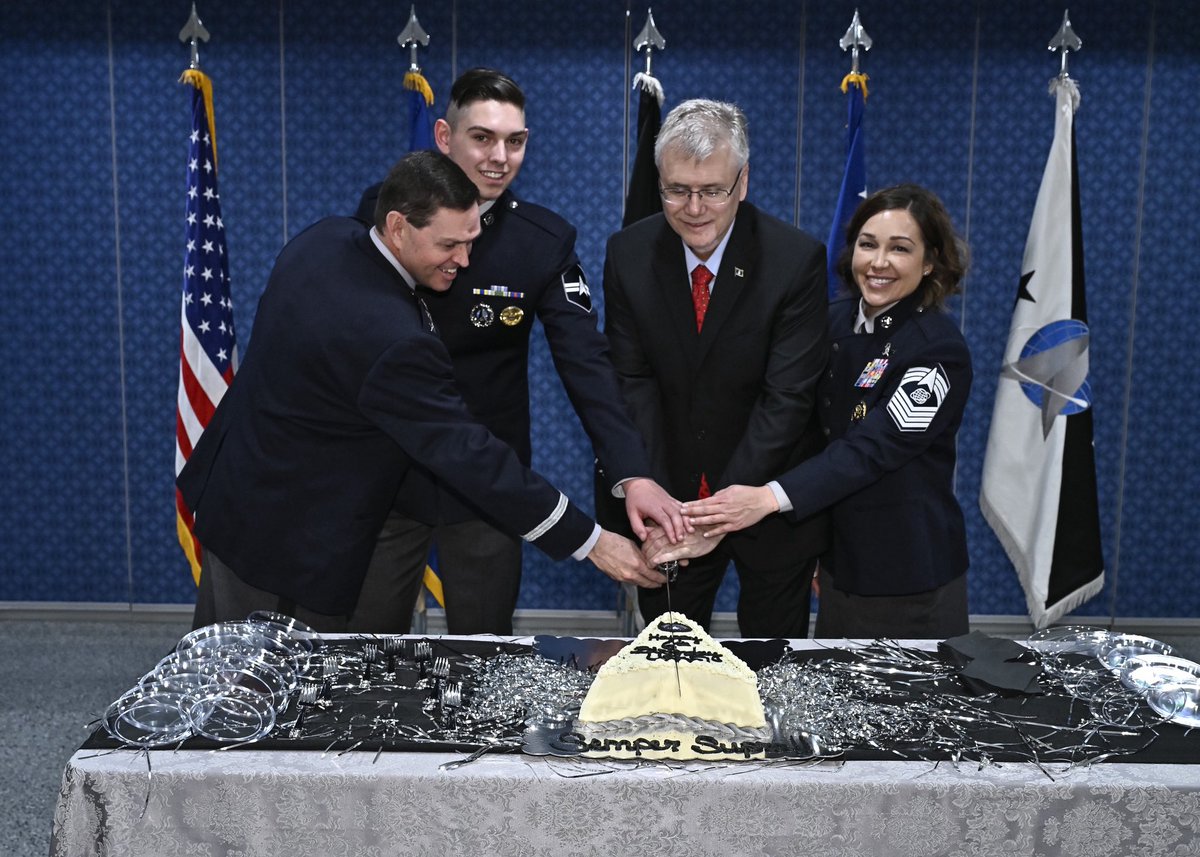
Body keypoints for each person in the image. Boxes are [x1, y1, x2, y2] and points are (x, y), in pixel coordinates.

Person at [179, 151, 666, 632]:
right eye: (450, 245)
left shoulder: (323, 238)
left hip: (234, 503)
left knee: (213, 668)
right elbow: (469, 454)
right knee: (270, 690)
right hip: (292, 548)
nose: (465, 260)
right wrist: (591, 541)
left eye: (472, 241)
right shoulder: (393, 340)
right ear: (397, 227)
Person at [352, 68, 682, 635]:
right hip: (387, 470)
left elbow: (587, 365)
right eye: (482, 137)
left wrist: (633, 474)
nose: (499, 157)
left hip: (488, 483)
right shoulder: (381, 215)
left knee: (485, 654)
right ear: (443, 137)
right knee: (365, 645)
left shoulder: (542, 241)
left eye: (515, 141)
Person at [651, 184, 972, 640]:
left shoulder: (938, 349)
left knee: (905, 709)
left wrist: (766, 498)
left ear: (930, 262)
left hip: (907, 575)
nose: (879, 262)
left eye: (900, 249)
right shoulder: (833, 321)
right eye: (867, 244)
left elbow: (871, 449)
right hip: (839, 565)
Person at [599, 98, 830, 638]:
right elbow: (631, 381)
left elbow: (787, 398)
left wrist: (717, 514)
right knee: (669, 657)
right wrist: (659, 495)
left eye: (711, 191)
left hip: (765, 498)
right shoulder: (628, 254)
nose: (693, 207)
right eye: (677, 189)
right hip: (668, 501)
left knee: (772, 668)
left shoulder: (794, 260)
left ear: (742, 182)